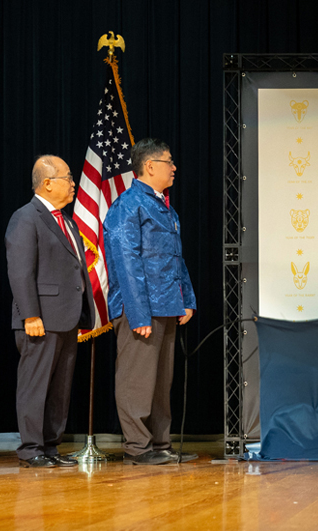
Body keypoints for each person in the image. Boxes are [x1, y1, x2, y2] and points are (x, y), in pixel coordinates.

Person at [104, 138, 197, 465]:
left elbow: (175, 256)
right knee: (136, 381)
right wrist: (138, 314)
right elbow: (126, 262)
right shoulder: (128, 205)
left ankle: (160, 445)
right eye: (169, 161)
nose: (174, 168)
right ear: (150, 166)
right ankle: (138, 448)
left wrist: (187, 299)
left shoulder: (163, 205)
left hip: (167, 306)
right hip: (140, 310)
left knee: (160, 383)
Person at [5, 155, 94, 468]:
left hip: (66, 318)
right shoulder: (25, 218)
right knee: (35, 386)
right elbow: (20, 272)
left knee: (60, 388)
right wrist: (30, 315)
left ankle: (51, 447)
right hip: (40, 319)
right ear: (47, 183)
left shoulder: (66, 220)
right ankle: (31, 449)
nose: (73, 184)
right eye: (68, 178)